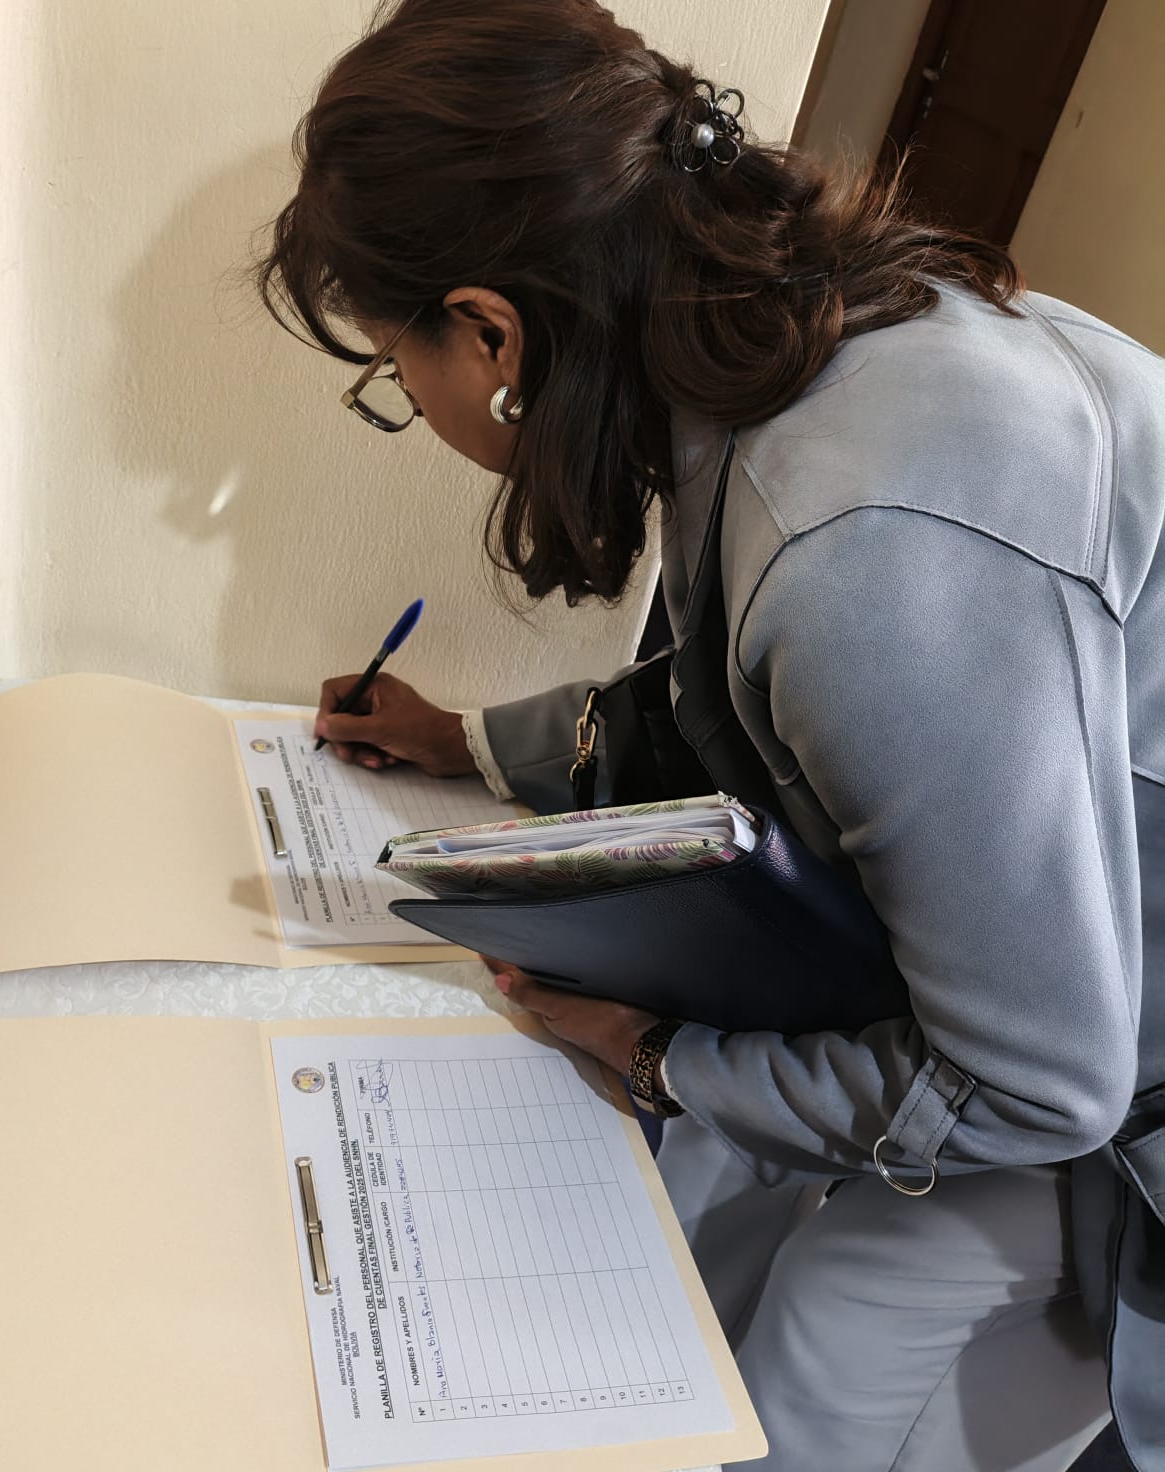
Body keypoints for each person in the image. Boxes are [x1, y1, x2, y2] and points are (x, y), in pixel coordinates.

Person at [256, 2, 1165, 1468]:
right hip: (1068, 988)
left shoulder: (869, 540)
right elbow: (735, 695)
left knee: (816, 1372)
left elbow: (1037, 1080)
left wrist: (665, 1059)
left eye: (392, 374)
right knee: (732, 1263)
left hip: (1098, 1068)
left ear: (488, 330)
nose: (412, 402)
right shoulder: (796, 353)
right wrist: (476, 745)